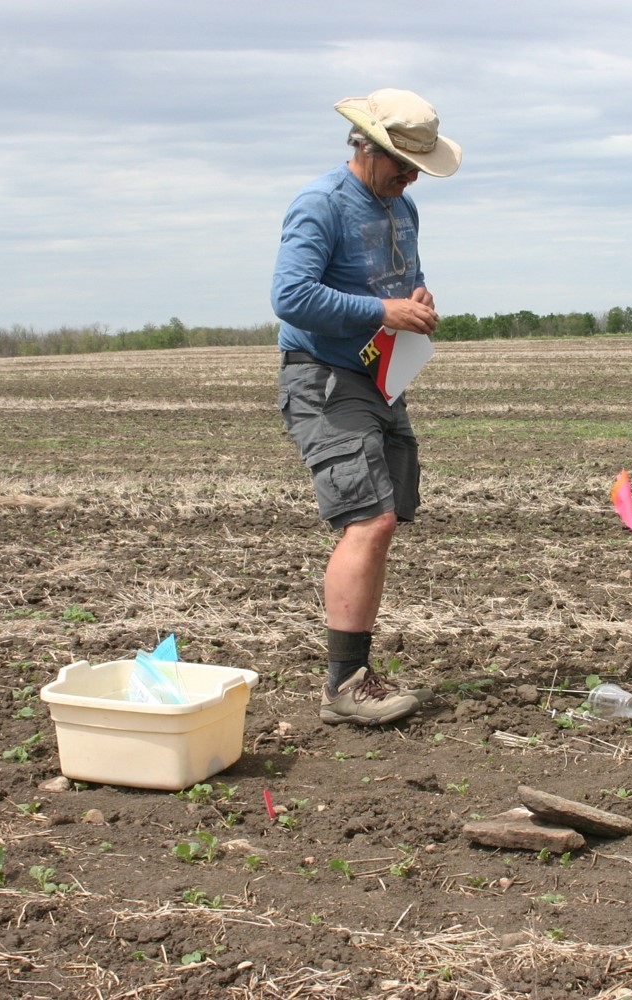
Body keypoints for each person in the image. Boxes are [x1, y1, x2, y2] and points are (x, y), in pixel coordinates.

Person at [271, 89, 462, 726]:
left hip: (382, 375)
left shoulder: (401, 207)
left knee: (384, 518)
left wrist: (417, 299)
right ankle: (344, 688)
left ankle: (354, 674)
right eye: (403, 165)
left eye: (418, 170)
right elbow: (291, 296)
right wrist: (382, 311)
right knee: (370, 519)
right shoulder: (319, 205)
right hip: (324, 378)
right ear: (366, 147)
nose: (411, 178)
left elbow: (402, 278)